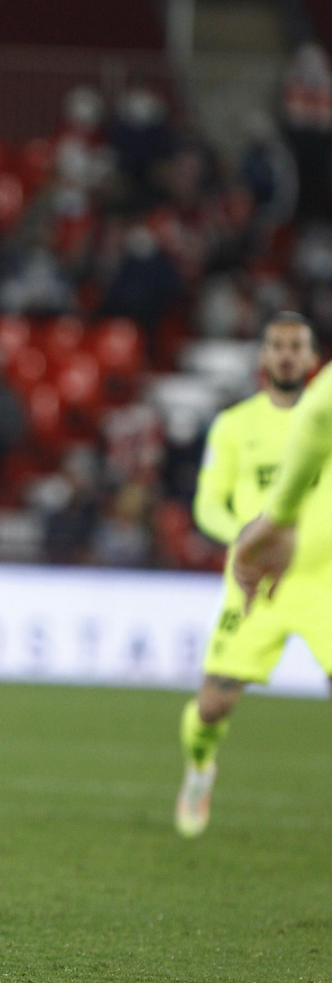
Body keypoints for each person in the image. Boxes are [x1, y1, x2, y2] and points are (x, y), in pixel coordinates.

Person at [178, 313, 332, 836]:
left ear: (313, 358)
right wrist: (243, 534)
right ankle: (200, 765)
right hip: (254, 587)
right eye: (277, 345)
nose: (287, 354)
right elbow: (206, 506)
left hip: (324, 582)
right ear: (263, 356)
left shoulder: (326, 413)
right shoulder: (234, 425)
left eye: (297, 346)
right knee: (214, 705)